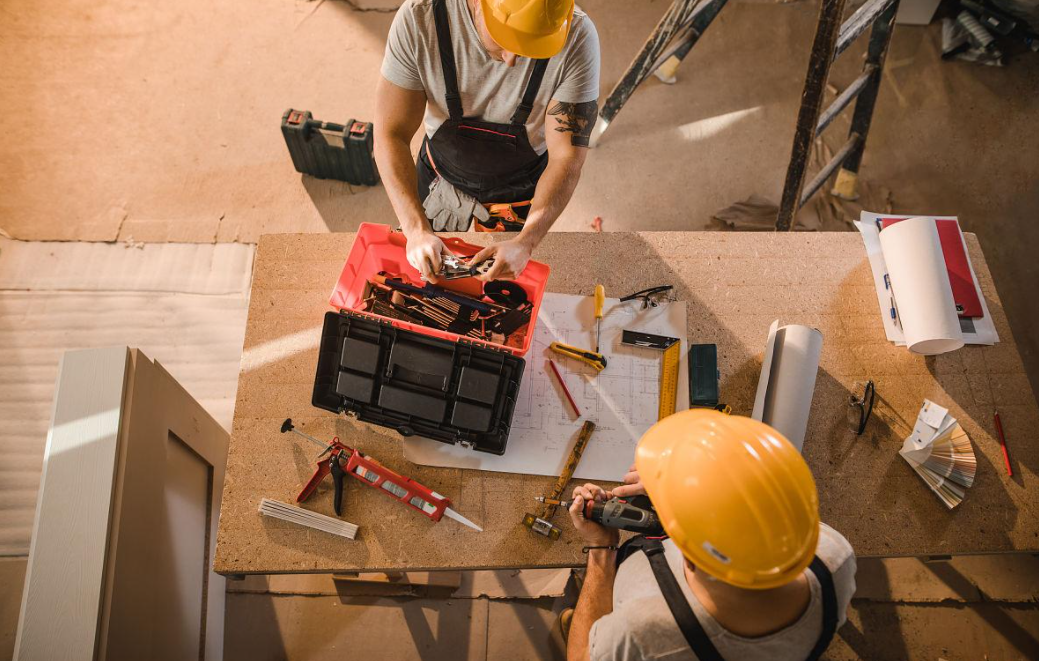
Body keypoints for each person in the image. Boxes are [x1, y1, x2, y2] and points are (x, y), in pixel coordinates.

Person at [565, 410, 857, 661]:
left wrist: (601, 548)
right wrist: (688, 485)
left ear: (688, 559)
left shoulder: (642, 633)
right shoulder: (833, 558)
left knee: (583, 628)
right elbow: (756, 510)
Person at [374, 0, 600, 283]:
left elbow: (566, 158)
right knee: (424, 272)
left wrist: (526, 242)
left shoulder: (577, 36)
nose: (512, 60)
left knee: (502, 285)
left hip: (522, 185)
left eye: (531, 45)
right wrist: (415, 229)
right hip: (439, 175)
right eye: (506, 39)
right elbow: (389, 134)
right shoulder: (421, 18)